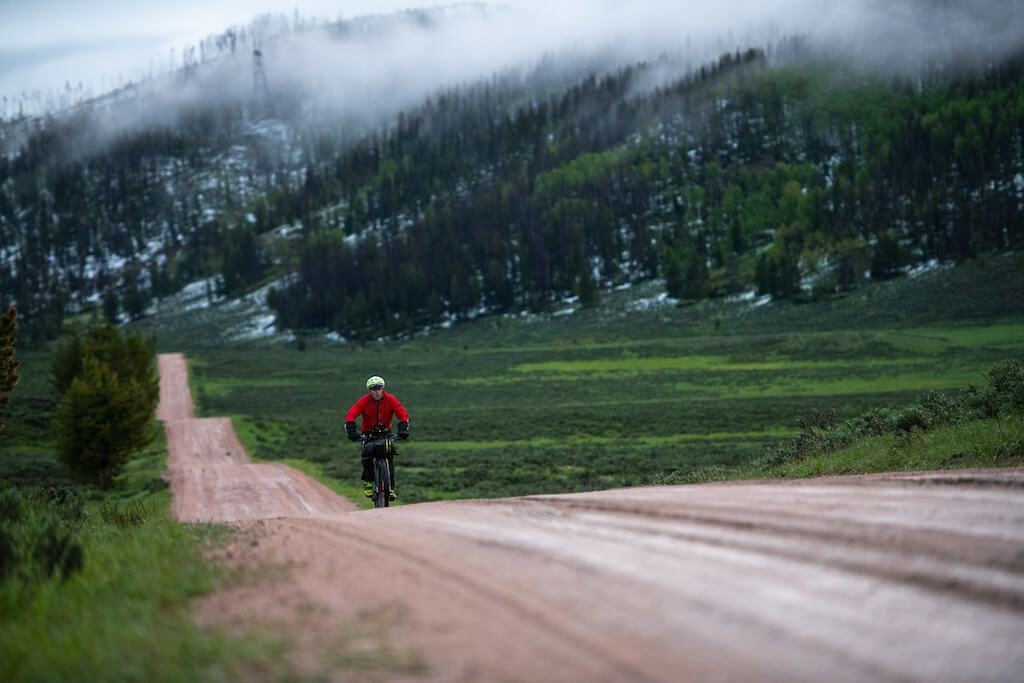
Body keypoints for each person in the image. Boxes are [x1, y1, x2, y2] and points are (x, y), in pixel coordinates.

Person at [344, 375, 410, 500]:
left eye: (379, 388)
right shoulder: (364, 401)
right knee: (367, 457)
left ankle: (390, 488)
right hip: (368, 433)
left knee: (389, 458)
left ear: (383, 388)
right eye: (374, 389)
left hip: (385, 433)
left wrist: (403, 429)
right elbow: (350, 415)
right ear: (370, 390)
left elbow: (402, 414)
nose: (377, 391)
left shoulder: (391, 399)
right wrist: (352, 431)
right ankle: (368, 482)